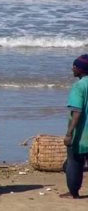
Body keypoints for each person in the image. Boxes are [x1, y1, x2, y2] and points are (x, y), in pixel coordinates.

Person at [60, 54, 88, 199]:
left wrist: (69, 134)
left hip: (82, 135)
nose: (72, 68)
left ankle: (73, 192)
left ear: (80, 69)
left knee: (74, 163)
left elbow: (77, 112)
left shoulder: (79, 86)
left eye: (74, 66)